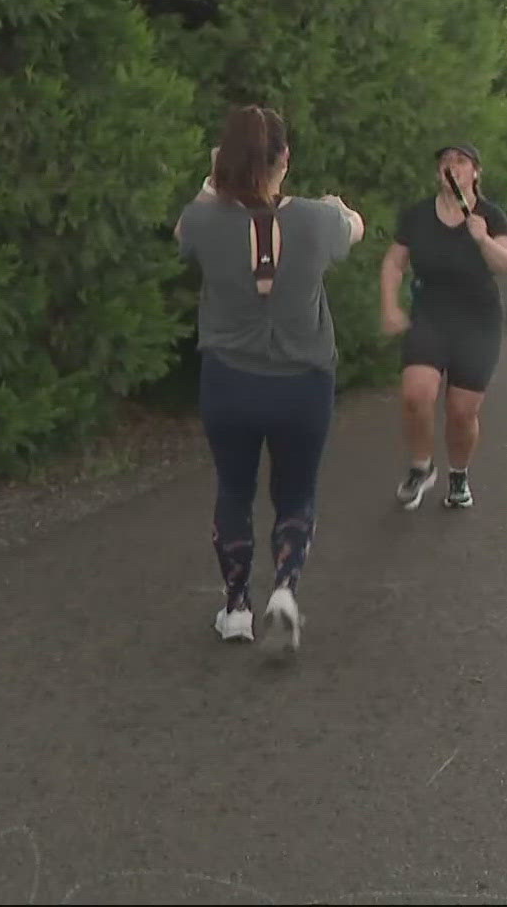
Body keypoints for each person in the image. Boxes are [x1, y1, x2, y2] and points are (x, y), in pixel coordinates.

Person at [175, 105, 365, 653]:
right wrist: (338, 207)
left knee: (234, 488)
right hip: (302, 381)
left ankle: (236, 606)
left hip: (230, 380)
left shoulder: (206, 220)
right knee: (296, 492)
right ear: (286, 158)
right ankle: (284, 589)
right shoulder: (316, 220)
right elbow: (355, 226)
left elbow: (183, 231)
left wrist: (214, 180)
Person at [381, 143, 507, 511]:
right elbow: (394, 263)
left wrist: (483, 238)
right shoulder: (418, 216)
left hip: (478, 319)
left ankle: (459, 475)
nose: (451, 167)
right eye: (445, 161)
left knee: (461, 410)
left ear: (475, 173)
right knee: (416, 393)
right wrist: (390, 306)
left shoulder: (490, 215)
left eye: (461, 161)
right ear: (438, 173)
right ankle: (421, 467)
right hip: (431, 313)